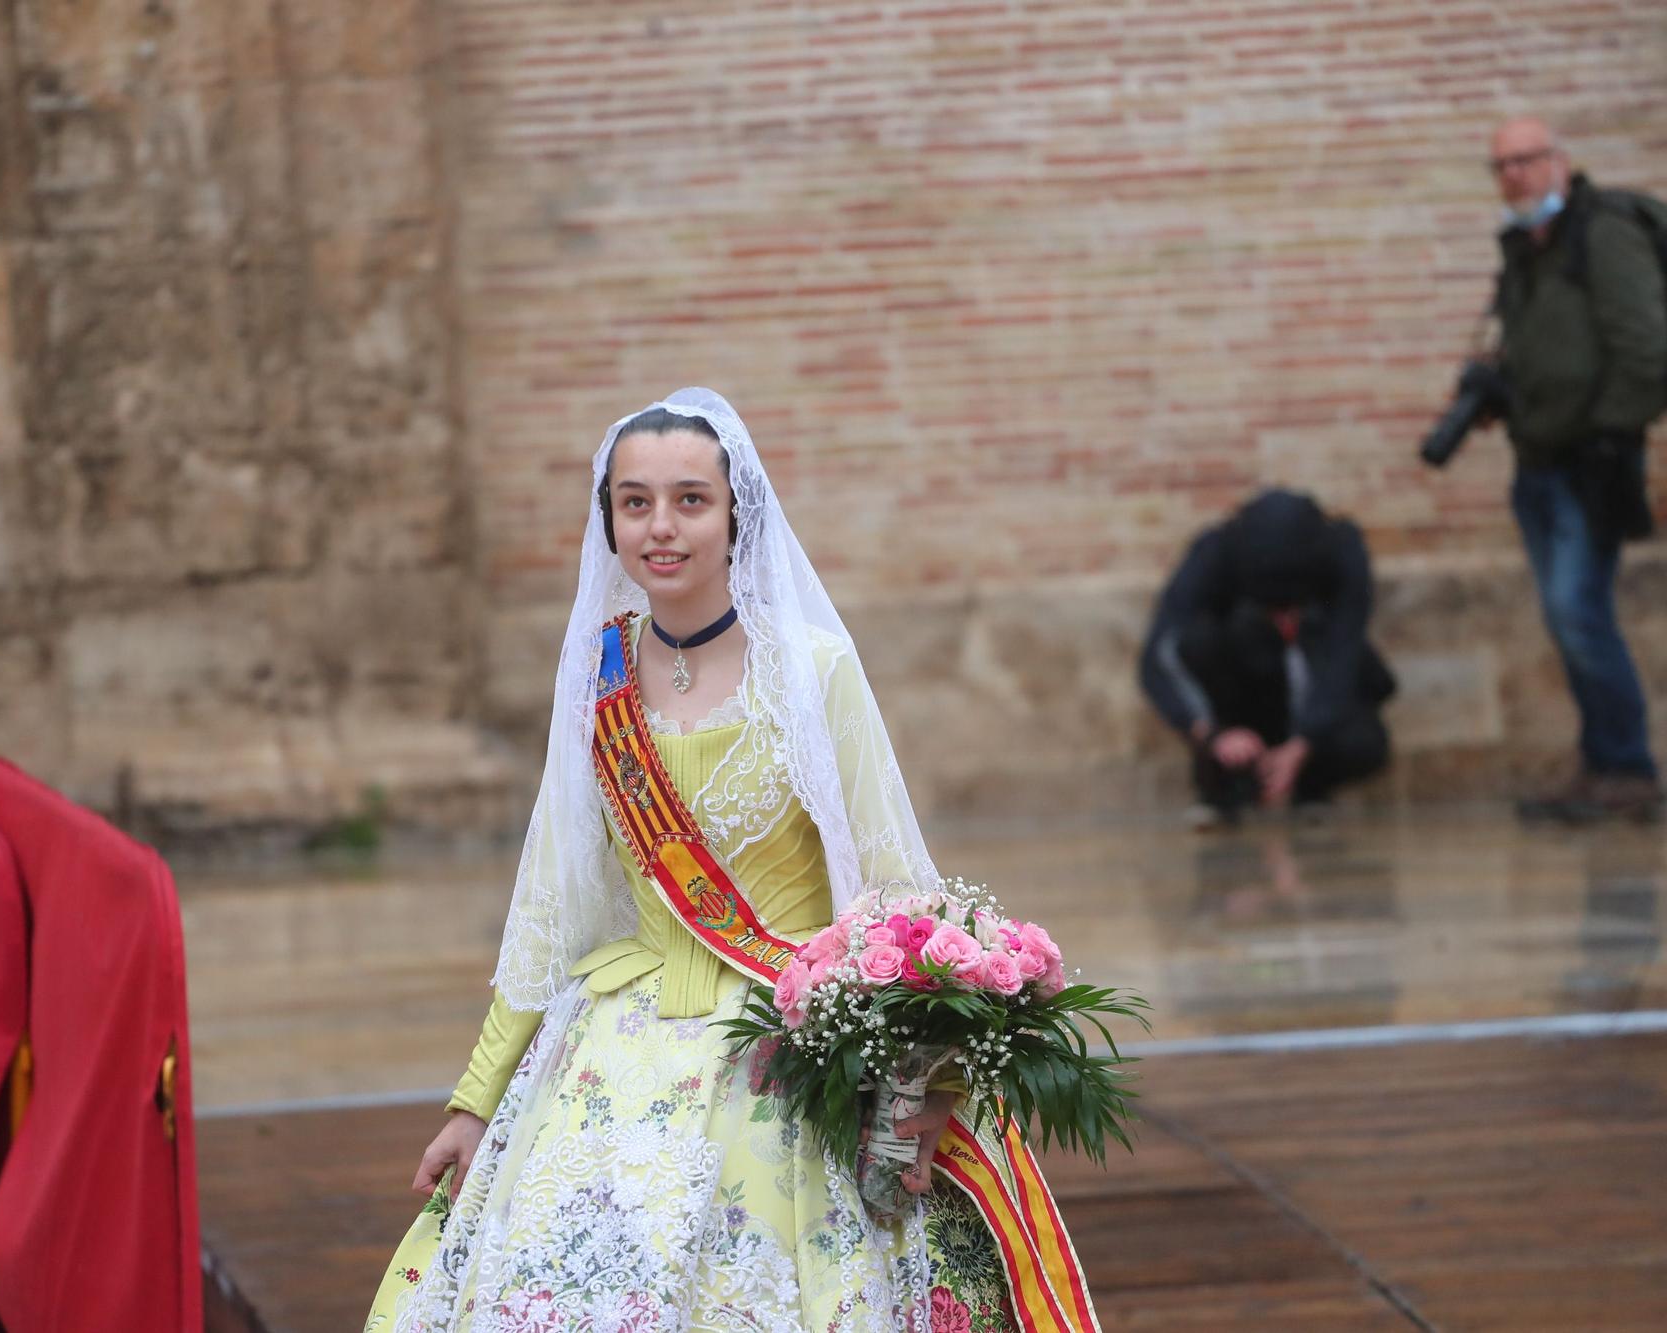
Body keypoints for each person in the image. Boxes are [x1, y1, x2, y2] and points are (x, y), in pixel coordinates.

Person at [365, 390, 1097, 1331]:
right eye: (635, 503)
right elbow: (548, 900)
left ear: (735, 513)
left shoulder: (811, 668)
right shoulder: (600, 677)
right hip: (613, 1044)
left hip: (777, 1048)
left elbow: (895, 885)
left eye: (689, 501)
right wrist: (475, 1102)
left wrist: (933, 1081)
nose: (661, 528)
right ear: (610, 522)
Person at [1479, 117, 1666, 824]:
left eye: (1527, 160)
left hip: (1591, 465)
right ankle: (1601, 761)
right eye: (1500, 166)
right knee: (1568, 617)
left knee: (1577, 611)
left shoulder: (1603, 231)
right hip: (1537, 463)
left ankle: (1628, 766)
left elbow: (1649, 350)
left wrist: (1607, 432)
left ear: (1560, 161)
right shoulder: (1527, 251)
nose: (1514, 176)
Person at [1139, 489, 1395, 827]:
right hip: (1245, 708)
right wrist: (1211, 733)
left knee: (1364, 740)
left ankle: (1310, 785)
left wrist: (1303, 744)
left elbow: (1342, 654)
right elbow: (1160, 656)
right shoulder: (1217, 552)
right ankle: (1223, 789)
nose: (1285, 616)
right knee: (1208, 640)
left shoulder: (1340, 552)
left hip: (1313, 704)